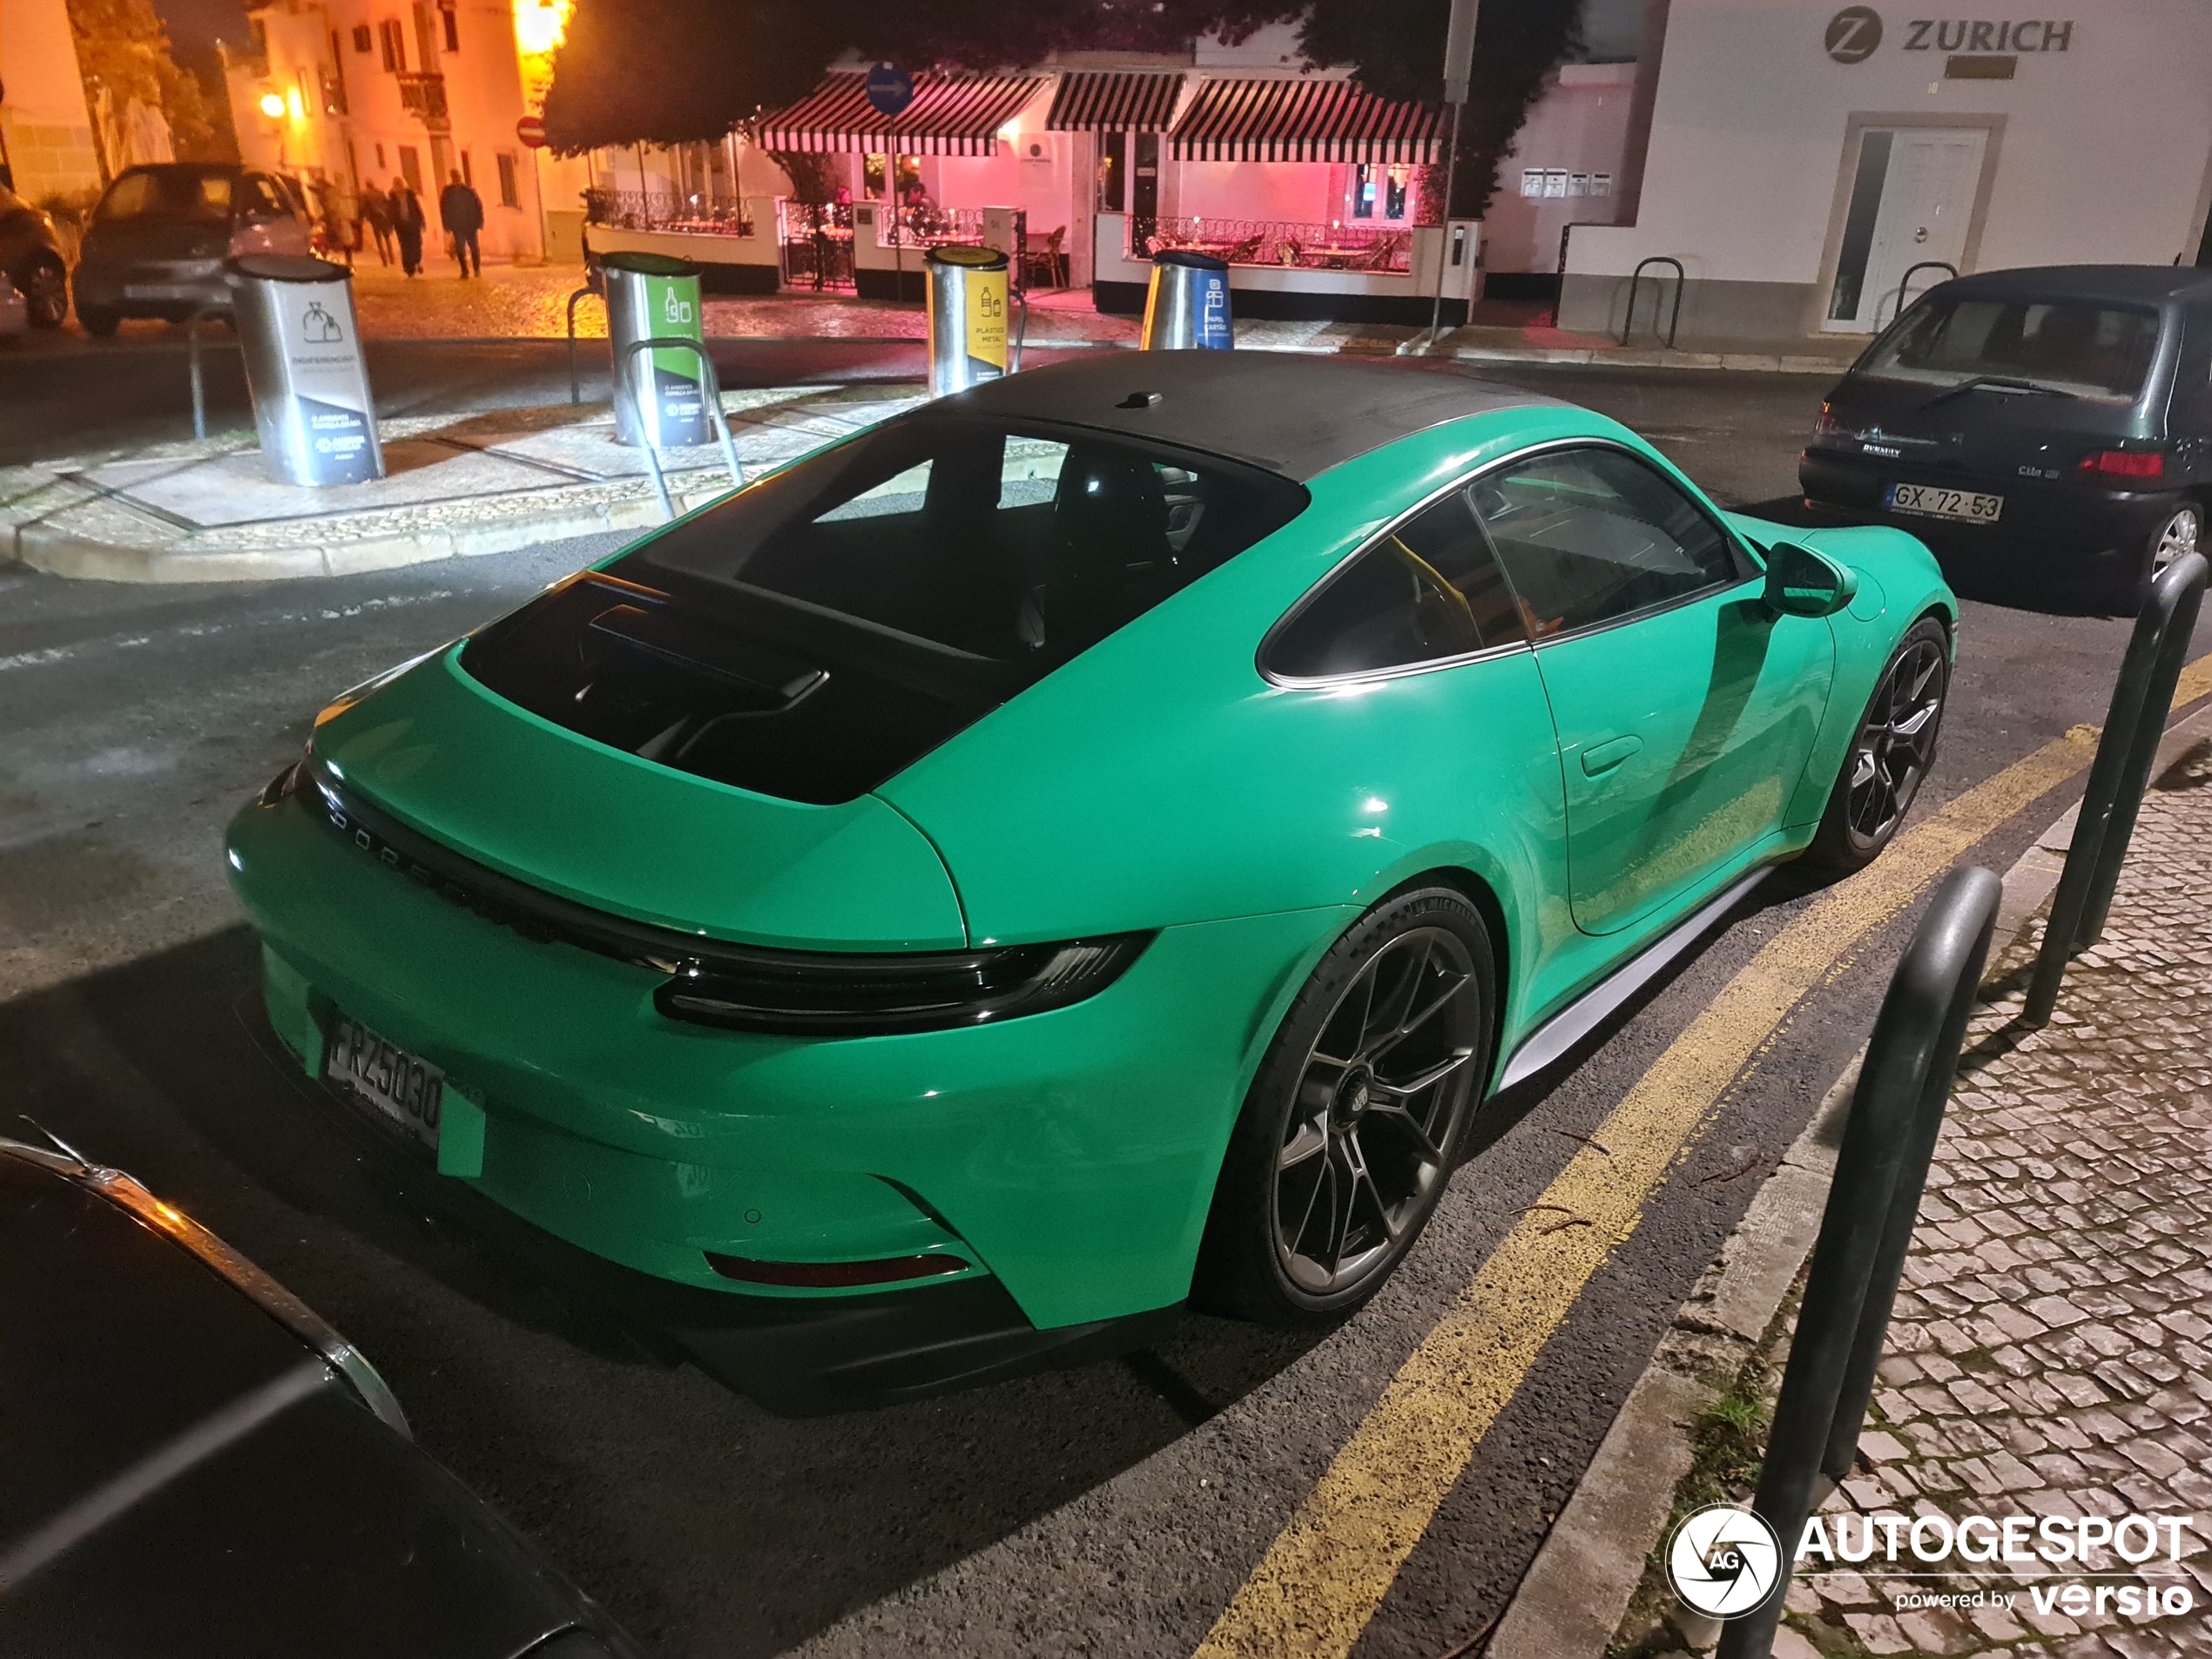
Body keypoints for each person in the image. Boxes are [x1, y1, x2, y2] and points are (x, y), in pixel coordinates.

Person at [439, 170, 483, 279]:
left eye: (457, 177)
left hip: (470, 224)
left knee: (474, 248)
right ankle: (465, 270)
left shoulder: (468, 191)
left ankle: (476, 269)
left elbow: (477, 207)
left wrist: (479, 221)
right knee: (460, 248)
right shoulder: (448, 193)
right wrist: (446, 224)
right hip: (457, 225)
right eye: (454, 177)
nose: (456, 179)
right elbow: (444, 209)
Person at [389, 178, 426, 277]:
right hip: (401, 226)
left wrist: (422, 222)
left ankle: (417, 261)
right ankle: (409, 268)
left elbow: (417, 209)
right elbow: (391, 212)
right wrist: (391, 224)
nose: (399, 186)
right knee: (405, 247)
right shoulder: (393, 198)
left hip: (413, 224)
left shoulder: (410, 196)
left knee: (416, 244)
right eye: (397, 184)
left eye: (400, 184)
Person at [360, 182, 393, 265]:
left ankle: (384, 260)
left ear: (367, 186)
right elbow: (387, 203)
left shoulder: (366, 194)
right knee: (387, 238)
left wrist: (363, 217)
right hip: (384, 218)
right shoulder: (380, 193)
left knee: (379, 240)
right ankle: (392, 258)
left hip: (375, 219)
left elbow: (362, 207)